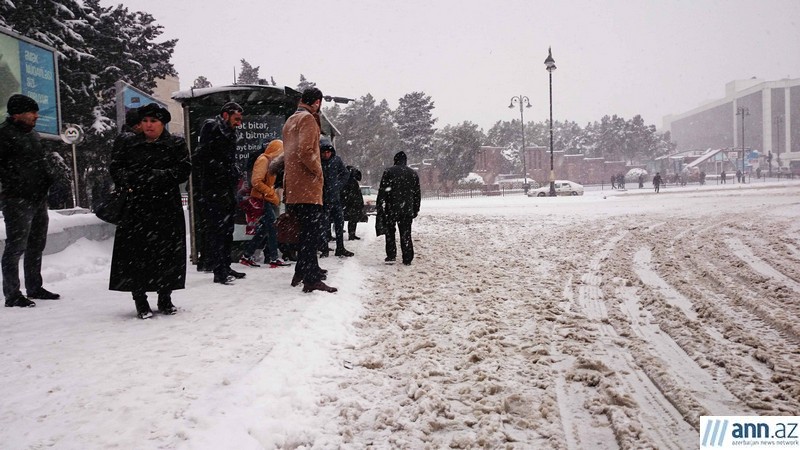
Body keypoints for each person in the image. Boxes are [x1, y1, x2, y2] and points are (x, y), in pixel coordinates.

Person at [108, 103, 191, 319]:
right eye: (145, 121)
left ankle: (165, 297)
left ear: (163, 123)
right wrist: (132, 178)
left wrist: (159, 176)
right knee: (137, 255)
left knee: (167, 254)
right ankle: (140, 299)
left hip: (166, 207)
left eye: (153, 121)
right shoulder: (129, 144)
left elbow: (183, 169)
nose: (148, 125)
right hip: (137, 208)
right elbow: (116, 168)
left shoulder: (175, 144)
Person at [0, 94, 62, 307]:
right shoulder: (3, 135)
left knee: (36, 243)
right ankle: (12, 293)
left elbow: (39, 163)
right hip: (16, 198)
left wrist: (48, 176)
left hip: (38, 197)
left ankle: (34, 286)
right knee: (16, 246)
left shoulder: (33, 135)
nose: (36, 116)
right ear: (17, 114)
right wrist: (15, 182)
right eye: (32, 112)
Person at [282, 87, 337, 293]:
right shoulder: (308, 120)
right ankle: (311, 279)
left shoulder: (290, 120)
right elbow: (306, 151)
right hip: (307, 187)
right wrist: (318, 172)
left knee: (304, 233)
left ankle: (302, 270)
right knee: (311, 234)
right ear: (317, 102)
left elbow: (290, 152)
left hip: (294, 188)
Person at [194, 101, 246, 285]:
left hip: (226, 188)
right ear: (226, 115)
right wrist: (223, 170)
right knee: (218, 229)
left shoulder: (229, 132)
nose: (239, 123)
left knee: (227, 229)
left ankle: (225, 264)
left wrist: (233, 171)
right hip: (214, 188)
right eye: (236, 118)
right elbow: (203, 157)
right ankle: (218, 269)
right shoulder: (212, 127)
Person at [239, 139, 291, 268]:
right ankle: (273, 258)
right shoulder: (263, 160)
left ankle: (247, 255)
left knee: (265, 229)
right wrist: (271, 193)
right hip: (262, 199)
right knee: (272, 226)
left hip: (264, 198)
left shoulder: (269, 162)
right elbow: (256, 181)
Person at [376, 151, 421, 265]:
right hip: (407, 209)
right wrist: (415, 209)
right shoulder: (413, 174)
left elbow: (383, 190)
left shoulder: (388, 172)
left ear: (395, 160)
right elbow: (417, 194)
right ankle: (407, 257)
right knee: (406, 233)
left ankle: (391, 255)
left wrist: (380, 205)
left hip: (391, 208)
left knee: (390, 232)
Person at [320, 137, 353, 257]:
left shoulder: (336, 160)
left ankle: (340, 247)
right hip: (323, 198)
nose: (326, 154)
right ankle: (324, 248)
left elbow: (345, 174)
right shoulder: (317, 162)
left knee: (339, 222)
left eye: (328, 152)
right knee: (324, 224)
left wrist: (338, 185)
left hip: (335, 197)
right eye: (323, 152)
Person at [341, 165, 365, 240]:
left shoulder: (349, 180)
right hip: (352, 203)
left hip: (351, 203)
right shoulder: (351, 181)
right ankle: (351, 235)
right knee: (352, 219)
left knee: (352, 219)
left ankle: (351, 234)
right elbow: (355, 193)